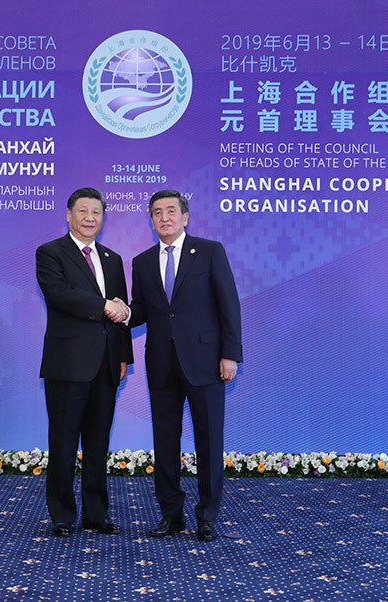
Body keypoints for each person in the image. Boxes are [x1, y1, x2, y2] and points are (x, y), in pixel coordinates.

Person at [128, 190, 242, 542]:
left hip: (205, 362)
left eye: (171, 211)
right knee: (165, 440)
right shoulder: (142, 262)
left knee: (209, 439)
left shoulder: (209, 251)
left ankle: (206, 516)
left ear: (185, 216)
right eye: (157, 212)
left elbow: (228, 304)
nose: (164, 217)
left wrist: (230, 353)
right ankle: (171, 515)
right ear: (151, 220)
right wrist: (123, 311)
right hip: (161, 363)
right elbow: (143, 309)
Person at [36, 187, 133, 537]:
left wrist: (123, 355)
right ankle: (62, 515)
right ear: (68, 214)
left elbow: (121, 310)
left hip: (106, 365)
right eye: (83, 211)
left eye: (96, 212)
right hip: (67, 364)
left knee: (97, 443)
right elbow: (59, 295)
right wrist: (103, 305)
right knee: (63, 442)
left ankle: (96, 514)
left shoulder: (112, 258)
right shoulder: (50, 252)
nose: (90, 218)